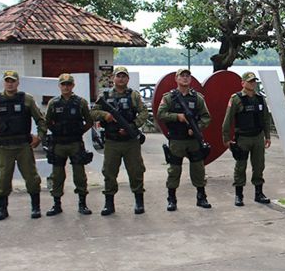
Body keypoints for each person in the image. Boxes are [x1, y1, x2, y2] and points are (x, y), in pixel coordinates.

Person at [0, 70, 46, 220]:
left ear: (18, 83)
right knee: (3, 179)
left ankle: (36, 207)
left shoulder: (27, 99)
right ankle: (2, 208)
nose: (10, 84)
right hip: (4, 147)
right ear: (4, 82)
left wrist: (39, 137)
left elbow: (41, 120)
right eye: (7, 81)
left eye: (13, 81)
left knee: (32, 178)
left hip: (23, 146)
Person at [90, 66, 148, 216]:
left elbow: (143, 112)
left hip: (130, 141)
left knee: (136, 171)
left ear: (127, 79)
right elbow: (93, 112)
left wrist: (133, 126)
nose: (121, 79)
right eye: (118, 76)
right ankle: (109, 203)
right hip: (112, 141)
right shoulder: (105, 96)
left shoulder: (134, 95)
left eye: (124, 76)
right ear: (113, 78)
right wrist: (105, 115)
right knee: (109, 172)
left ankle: (139, 201)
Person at [156, 68, 212, 210]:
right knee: (174, 170)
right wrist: (177, 117)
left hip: (193, 140)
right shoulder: (169, 97)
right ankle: (172, 199)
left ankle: (201, 197)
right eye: (182, 76)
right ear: (176, 79)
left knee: (198, 169)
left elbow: (206, 117)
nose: (185, 78)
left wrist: (197, 127)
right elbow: (160, 114)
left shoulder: (197, 98)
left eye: (188, 76)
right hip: (177, 139)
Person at [44, 73, 94, 216]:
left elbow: (89, 121)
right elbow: (47, 121)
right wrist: (56, 132)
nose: (66, 87)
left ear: (72, 86)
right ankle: (56, 204)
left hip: (75, 143)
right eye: (63, 84)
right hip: (58, 144)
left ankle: (82, 203)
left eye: (68, 84)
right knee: (57, 175)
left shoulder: (80, 102)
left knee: (79, 175)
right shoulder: (53, 103)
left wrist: (79, 132)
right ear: (59, 86)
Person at [222, 71, 272, 206]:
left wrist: (267, 136)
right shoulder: (236, 98)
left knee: (259, 166)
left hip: (257, 137)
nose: (252, 83)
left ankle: (259, 193)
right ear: (243, 83)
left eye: (254, 81)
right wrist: (226, 138)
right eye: (250, 81)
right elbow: (228, 120)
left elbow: (266, 118)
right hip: (242, 138)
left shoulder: (260, 98)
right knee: (240, 167)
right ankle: (239, 195)